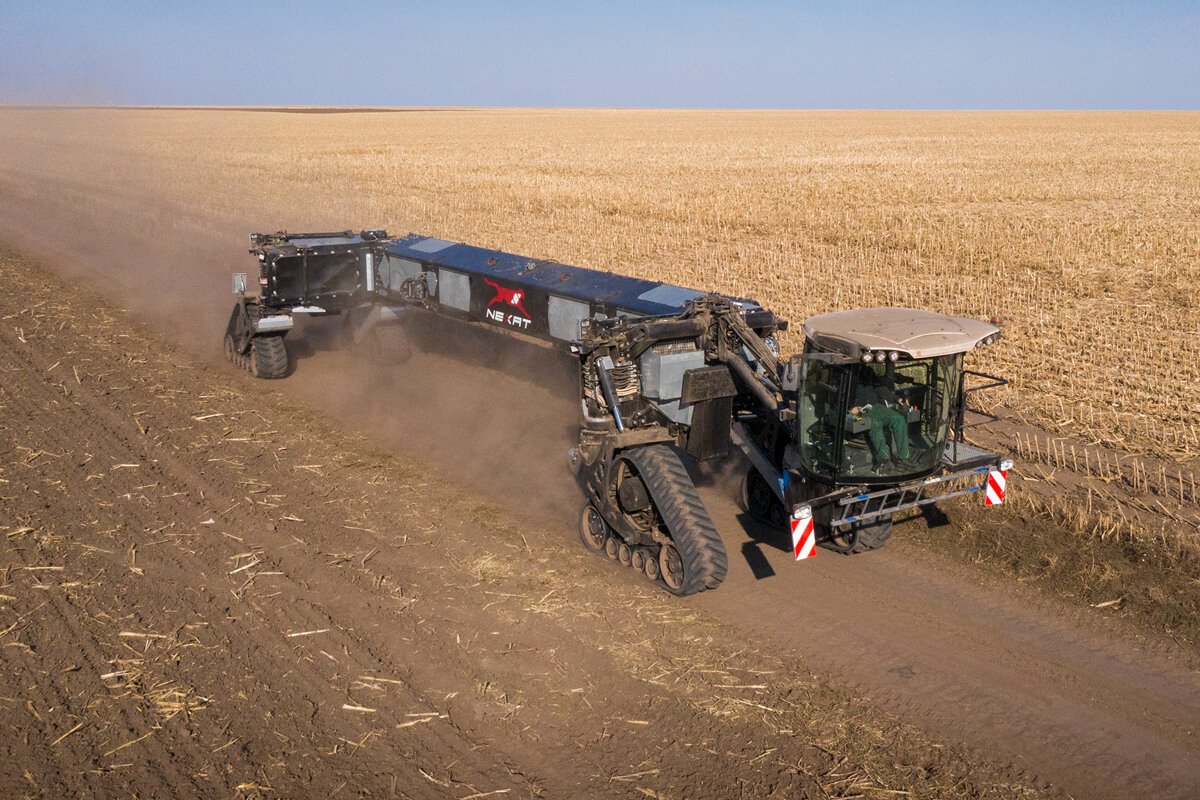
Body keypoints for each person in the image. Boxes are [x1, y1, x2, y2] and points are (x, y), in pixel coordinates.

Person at [850, 367, 915, 468]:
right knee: (875, 424)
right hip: (860, 411)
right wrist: (851, 407)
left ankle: (903, 457)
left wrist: (897, 399)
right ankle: (883, 458)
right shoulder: (849, 378)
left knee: (899, 419)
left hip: (876, 407)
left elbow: (883, 391)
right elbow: (842, 398)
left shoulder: (868, 373)